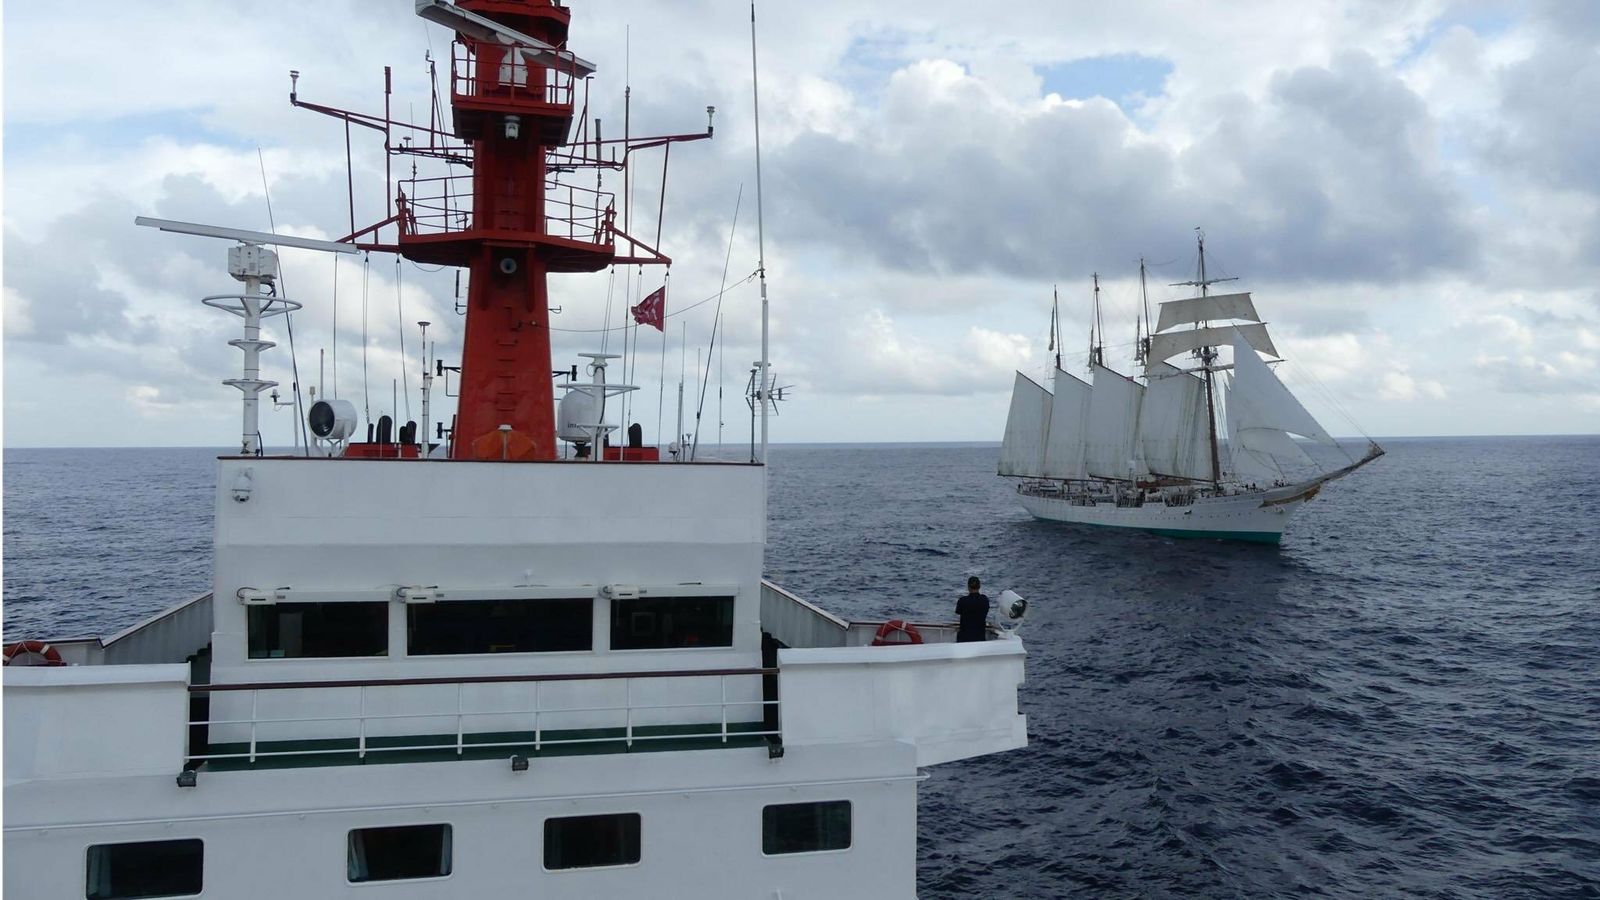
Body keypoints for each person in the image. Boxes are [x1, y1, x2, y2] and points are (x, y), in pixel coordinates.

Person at [956, 576, 990, 643]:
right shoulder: (984, 600)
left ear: (968, 587)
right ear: (979, 586)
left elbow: (958, 611)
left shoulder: (962, 600)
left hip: (964, 639)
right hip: (980, 638)